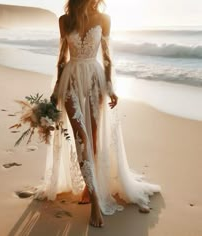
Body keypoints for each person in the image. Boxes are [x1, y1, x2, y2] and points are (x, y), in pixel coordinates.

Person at [36, 0, 161, 228]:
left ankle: (88, 186)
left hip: (95, 79)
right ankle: (95, 201)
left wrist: (111, 87)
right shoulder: (65, 20)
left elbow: (107, 56)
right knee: (81, 137)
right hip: (71, 79)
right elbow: (62, 58)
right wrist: (55, 91)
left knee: (92, 138)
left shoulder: (104, 19)